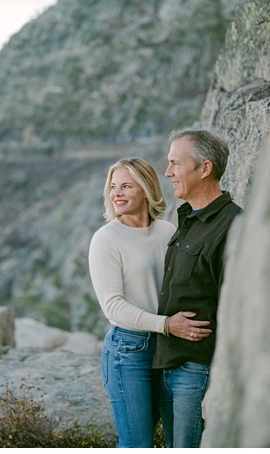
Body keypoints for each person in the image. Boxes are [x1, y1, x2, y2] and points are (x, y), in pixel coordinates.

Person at [88, 158, 212, 448]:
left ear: (146, 189)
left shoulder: (168, 231)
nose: (116, 193)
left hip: (171, 350)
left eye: (126, 186)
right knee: (137, 444)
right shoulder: (106, 239)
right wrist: (166, 324)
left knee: (179, 440)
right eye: (113, 187)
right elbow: (113, 307)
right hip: (129, 352)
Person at [154, 129, 242, 447]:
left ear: (204, 169)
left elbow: (240, 311)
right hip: (169, 365)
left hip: (197, 373)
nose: (168, 172)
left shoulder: (233, 225)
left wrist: (219, 382)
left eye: (176, 163)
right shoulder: (188, 218)